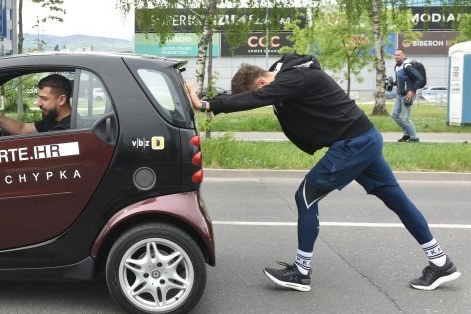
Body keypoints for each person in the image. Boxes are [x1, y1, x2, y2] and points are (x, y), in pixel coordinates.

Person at [186, 54, 460, 292]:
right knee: (397, 200)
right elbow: (267, 96)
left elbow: (260, 97)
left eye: (262, 93)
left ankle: (301, 272)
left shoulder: (293, 78)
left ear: (261, 82)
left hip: (353, 143)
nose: (270, 100)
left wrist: (207, 105)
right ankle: (441, 263)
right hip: (363, 138)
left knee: (305, 195)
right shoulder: (289, 74)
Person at [0, 73, 72, 134]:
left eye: (44, 99)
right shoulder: (53, 120)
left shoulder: (67, 129)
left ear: (61, 100)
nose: (38, 103)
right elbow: (22, 128)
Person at [391, 48, 423, 143]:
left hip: (407, 95)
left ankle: (414, 138)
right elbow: (401, 80)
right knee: (394, 115)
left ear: (403, 56)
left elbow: (419, 78)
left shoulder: (407, 66)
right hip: (400, 94)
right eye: (395, 55)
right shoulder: (397, 66)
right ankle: (406, 134)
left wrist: (412, 90)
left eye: (399, 55)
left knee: (405, 118)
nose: (396, 56)